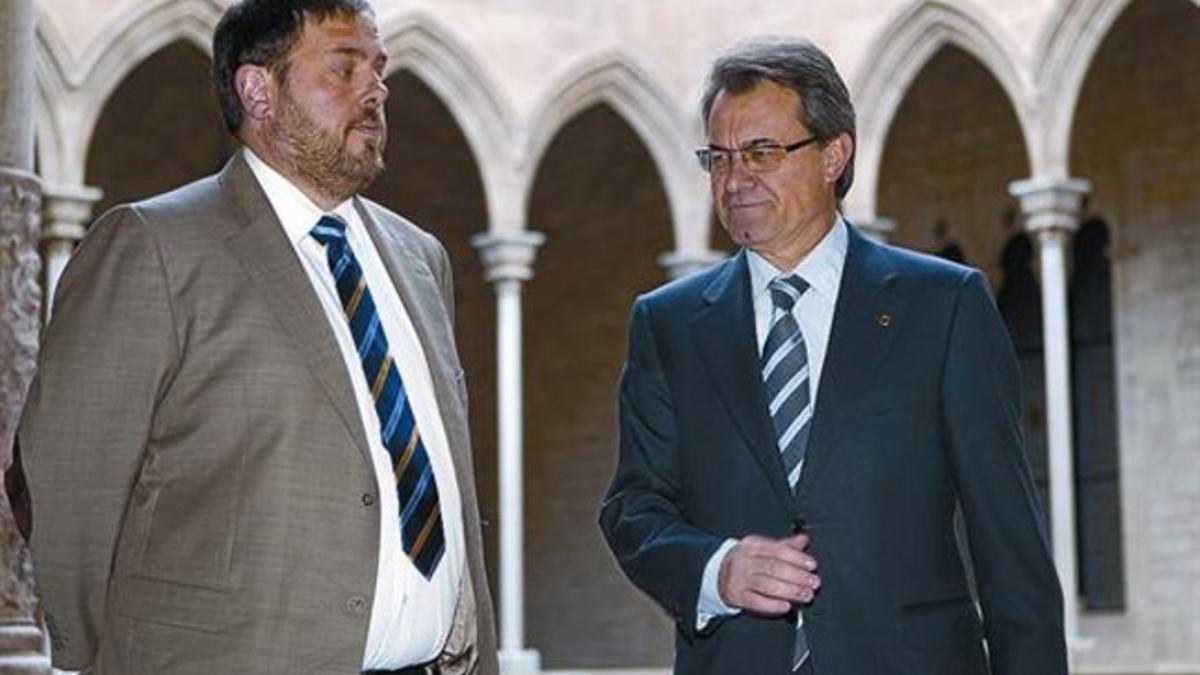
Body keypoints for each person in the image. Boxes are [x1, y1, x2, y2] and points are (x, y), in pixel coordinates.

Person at [9, 1, 496, 672]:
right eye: (344, 69)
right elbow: (66, 480)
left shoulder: (420, 259)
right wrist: (118, 651)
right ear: (258, 91)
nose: (376, 90)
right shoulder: (156, 246)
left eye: (379, 69)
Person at [599, 36, 1066, 674]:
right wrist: (717, 568)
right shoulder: (668, 324)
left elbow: (1010, 548)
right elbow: (633, 509)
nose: (736, 180)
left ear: (833, 154)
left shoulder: (943, 306)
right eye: (719, 158)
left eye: (762, 152)